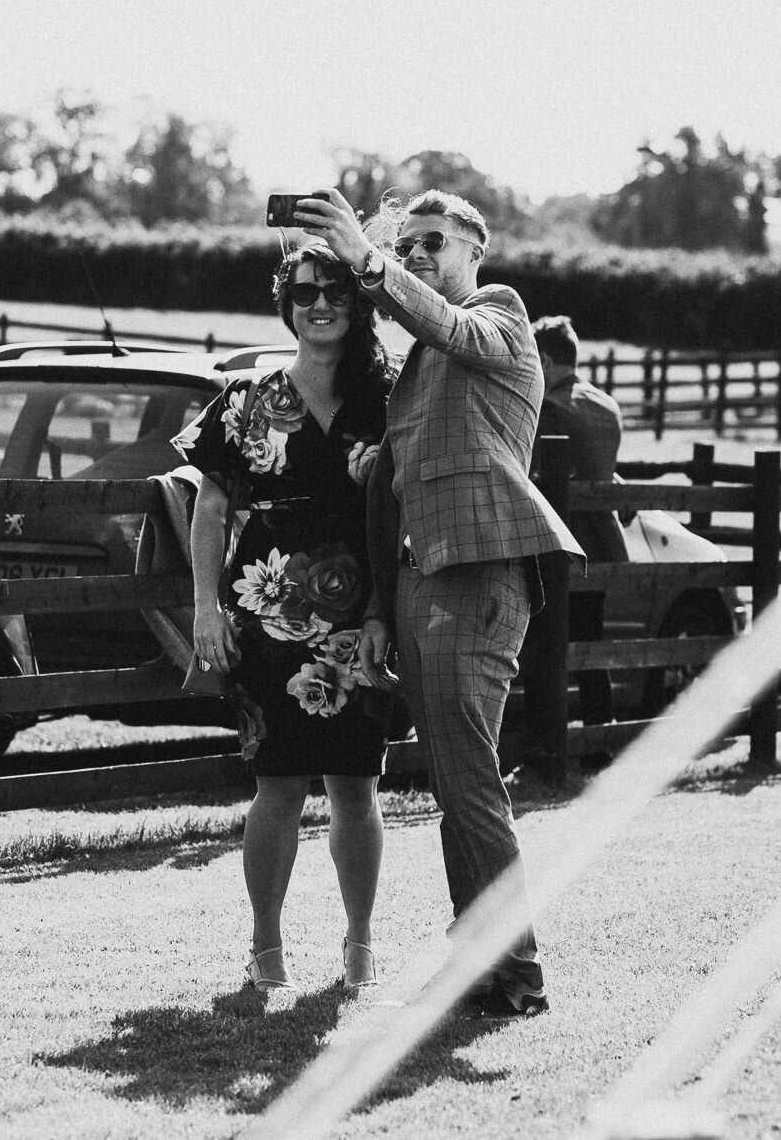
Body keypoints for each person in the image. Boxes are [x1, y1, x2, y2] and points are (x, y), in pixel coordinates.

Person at [298, 188, 583, 1018]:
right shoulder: (420, 364)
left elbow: (448, 325)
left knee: (470, 780)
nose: (419, 253)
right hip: (421, 581)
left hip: (482, 574)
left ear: (473, 249)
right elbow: (399, 478)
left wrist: (368, 257)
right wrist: (383, 601)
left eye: (433, 241)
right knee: (457, 780)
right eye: (409, 242)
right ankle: (480, 956)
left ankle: (516, 966)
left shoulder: (500, 315)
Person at [174, 244, 396, 992]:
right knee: (278, 782)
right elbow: (209, 506)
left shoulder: (391, 395)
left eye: (334, 289)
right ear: (286, 304)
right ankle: (266, 947)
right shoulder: (244, 398)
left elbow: (404, 512)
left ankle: (360, 943)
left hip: (363, 615)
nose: (319, 302)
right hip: (264, 606)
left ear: (356, 300)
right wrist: (205, 605)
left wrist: (380, 610)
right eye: (303, 292)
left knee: (356, 784)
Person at [532, 314, 627, 564]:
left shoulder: (550, 409)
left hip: (567, 549)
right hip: (610, 544)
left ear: (543, 361)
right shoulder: (608, 405)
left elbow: (531, 473)